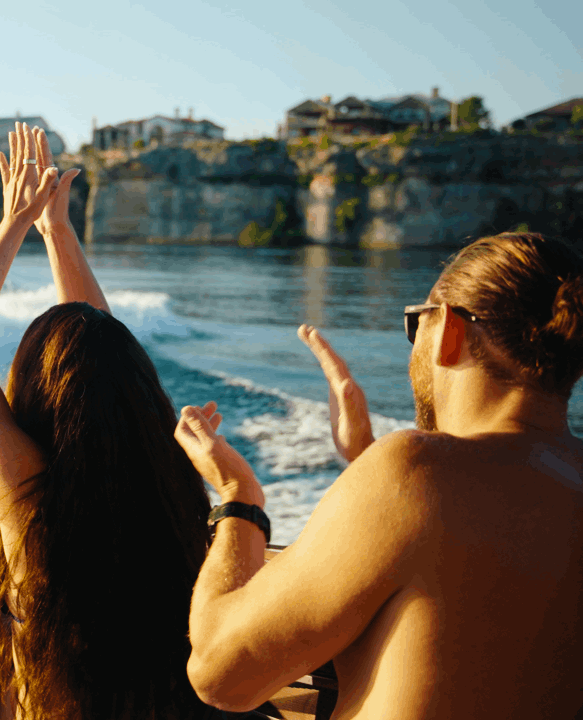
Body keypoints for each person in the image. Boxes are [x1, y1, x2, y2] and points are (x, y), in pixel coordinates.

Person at [175, 232, 583, 719]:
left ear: (450, 330)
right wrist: (366, 458)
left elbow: (220, 675)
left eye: (415, 324)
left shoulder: (415, 471)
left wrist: (238, 497)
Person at [0, 122, 216, 720]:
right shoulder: (166, 480)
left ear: (37, 390)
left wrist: (14, 223)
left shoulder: (31, 499)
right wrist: (56, 232)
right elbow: (102, 355)